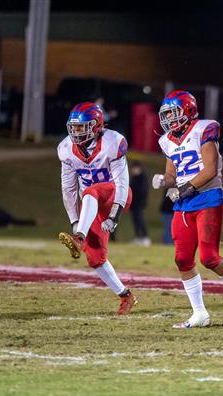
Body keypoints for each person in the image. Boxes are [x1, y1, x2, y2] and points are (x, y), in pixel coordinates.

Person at [152, 90, 223, 328]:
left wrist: (183, 189)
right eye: (166, 114)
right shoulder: (166, 140)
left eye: (173, 113)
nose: (169, 119)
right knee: (182, 258)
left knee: (209, 257)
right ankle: (200, 314)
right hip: (184, 204)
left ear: (188, 111)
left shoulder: (204, 129)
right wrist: (164, 180)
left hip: (207, 198)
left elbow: (209, 170)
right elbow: (172, 173)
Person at [57, 102, 137, 315]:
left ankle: (79, 238)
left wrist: (114, 216)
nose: (76, 132)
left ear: (96, 126)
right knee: (95, 258)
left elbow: (122, 183)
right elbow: (69, 190)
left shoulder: (113, 142)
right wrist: (75, 221)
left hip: (116, 196)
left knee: (90, 191)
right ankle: (125, 295)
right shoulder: (66, 150)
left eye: (81, 127)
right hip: (92, 204)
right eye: (73, 127)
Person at [129, 161, 151, 246]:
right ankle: (138, 237)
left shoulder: (142, 178)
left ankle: (145, 238)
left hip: (139, 204)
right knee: (135, 220)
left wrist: (142, 202)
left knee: (140, 220)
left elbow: (143, 191)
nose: (133, 170)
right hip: (134, 204)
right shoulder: (134, 178)